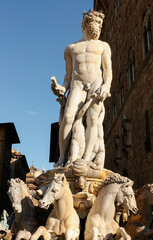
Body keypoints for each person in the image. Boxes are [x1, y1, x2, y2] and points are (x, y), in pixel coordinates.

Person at [51, 10, 112, 167]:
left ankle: (85, 159)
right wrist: (62, 88)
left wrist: (106, 85)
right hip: (77, 83)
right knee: (68, 117)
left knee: (92, 119)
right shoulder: (71, 48)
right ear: (86, 23)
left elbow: (107, 71)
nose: (99, 27)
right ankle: (62, 158)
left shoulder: (103, 46)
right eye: (97, 23)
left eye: (100, 24)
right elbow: (68, 74)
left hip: (96, 83)